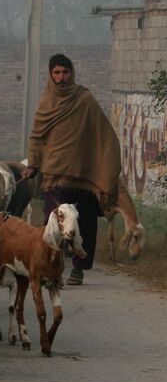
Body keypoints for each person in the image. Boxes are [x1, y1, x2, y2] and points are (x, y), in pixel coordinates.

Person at [22, 54, 122, 285]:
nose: (61, 77)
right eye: (56, 73)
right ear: (50, 74)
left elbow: (103, 134)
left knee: (82, 222)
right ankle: (50, 269)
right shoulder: (46, 102)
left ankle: (78, 269)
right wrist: (33, 164)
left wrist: (104, 168)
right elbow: (37, 137)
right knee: (52, 223)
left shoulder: (84, 99)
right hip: (54, 176)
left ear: (72, 73)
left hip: (82, 175)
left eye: (65, 72)